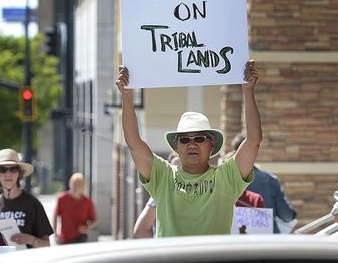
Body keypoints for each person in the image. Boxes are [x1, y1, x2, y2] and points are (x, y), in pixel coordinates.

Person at [116, 61, 261, 237]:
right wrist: (127, 95)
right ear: (176, 147)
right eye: (184, 139)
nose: (192, 144)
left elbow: (253, 140)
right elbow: (133, 141)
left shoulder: (227, 177)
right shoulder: (163, 175)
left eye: (199, 138)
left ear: (212, 144)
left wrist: (248, 91)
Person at [0, 149, 53, 248]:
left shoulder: (33, 204)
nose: (8, 174)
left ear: (19, 173)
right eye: (3, 170)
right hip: (0, 262)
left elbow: (47, 244)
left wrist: (31, 240)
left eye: (13, 169)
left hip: (26, 262)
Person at [230, 133, 296, 232]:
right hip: (267, 242)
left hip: (235, 242)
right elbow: (286, 216)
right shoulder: (270, 180)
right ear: (255, 152)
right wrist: (293, 214)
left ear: (235, 152)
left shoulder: (224, 179)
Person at [52, 173, 97, 244]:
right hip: (64, 239)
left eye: (78, 185)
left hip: (81, 239)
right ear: (70, 184)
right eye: (74, 184)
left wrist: (87, 227)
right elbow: (55, 216)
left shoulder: (87, 201)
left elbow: (94, 220)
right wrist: (55, 234)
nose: (75, 187)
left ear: (83, 187)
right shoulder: (62, 199)